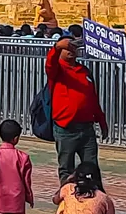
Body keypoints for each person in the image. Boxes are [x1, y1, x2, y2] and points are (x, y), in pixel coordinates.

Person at [44, 26, 108, 188]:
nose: (71, 51)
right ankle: (68, 202)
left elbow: (92, 98)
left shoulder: (84, 70)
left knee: (92, 167)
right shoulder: (57, 71)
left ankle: (96, 203)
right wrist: (57, 47)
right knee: (66, 168)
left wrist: (101, 121)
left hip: (86, 128)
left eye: (74, 48)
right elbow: (50, 64)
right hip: (66, 128)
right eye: (68, 48)